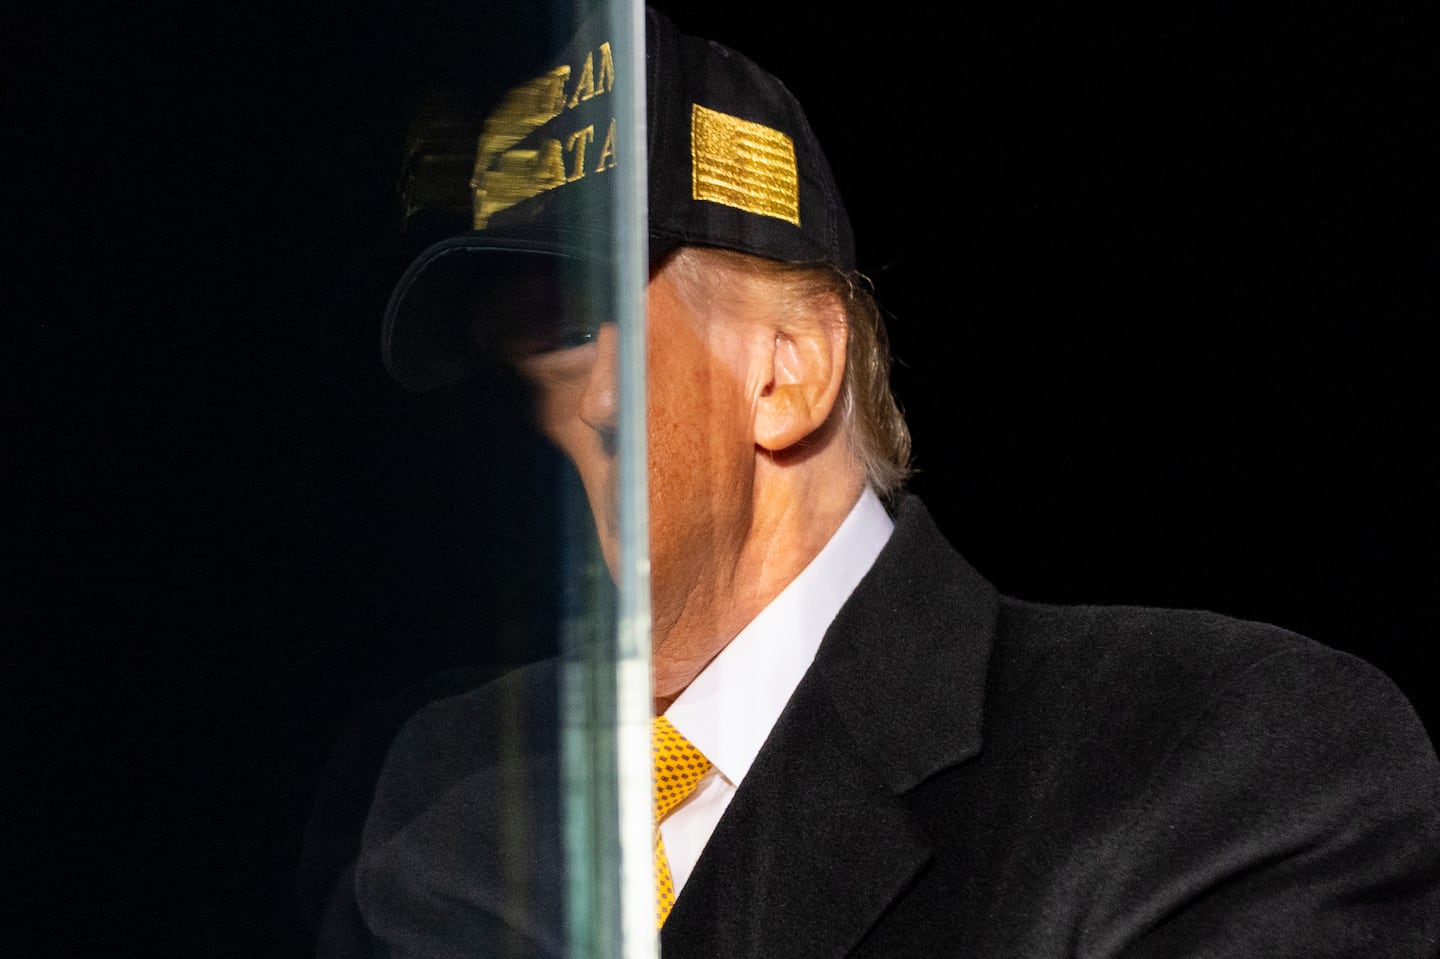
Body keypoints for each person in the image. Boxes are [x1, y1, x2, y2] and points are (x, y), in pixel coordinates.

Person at [354, 7, 1440, 956]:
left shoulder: (1212, 756)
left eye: (570, 335)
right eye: (487, 375)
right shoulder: (443, 800)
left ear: (788, 369)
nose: (508, 423)